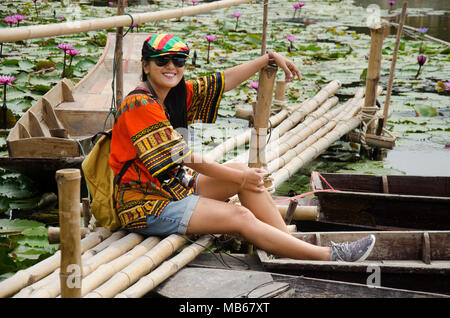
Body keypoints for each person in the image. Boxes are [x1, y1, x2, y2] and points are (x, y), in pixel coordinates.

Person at [109, 33, 376, 262]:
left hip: (172, 190)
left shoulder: (174, 95)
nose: (171, 66)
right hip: (144, 206)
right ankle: (329, 257)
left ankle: (285, 244)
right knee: (239, 215)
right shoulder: (140, 104)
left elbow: (220, 82)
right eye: (162, 60)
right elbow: (183, 156)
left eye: (178, 60)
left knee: (242, 173)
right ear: (145, 66)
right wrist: (241, 176)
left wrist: (267, 58)